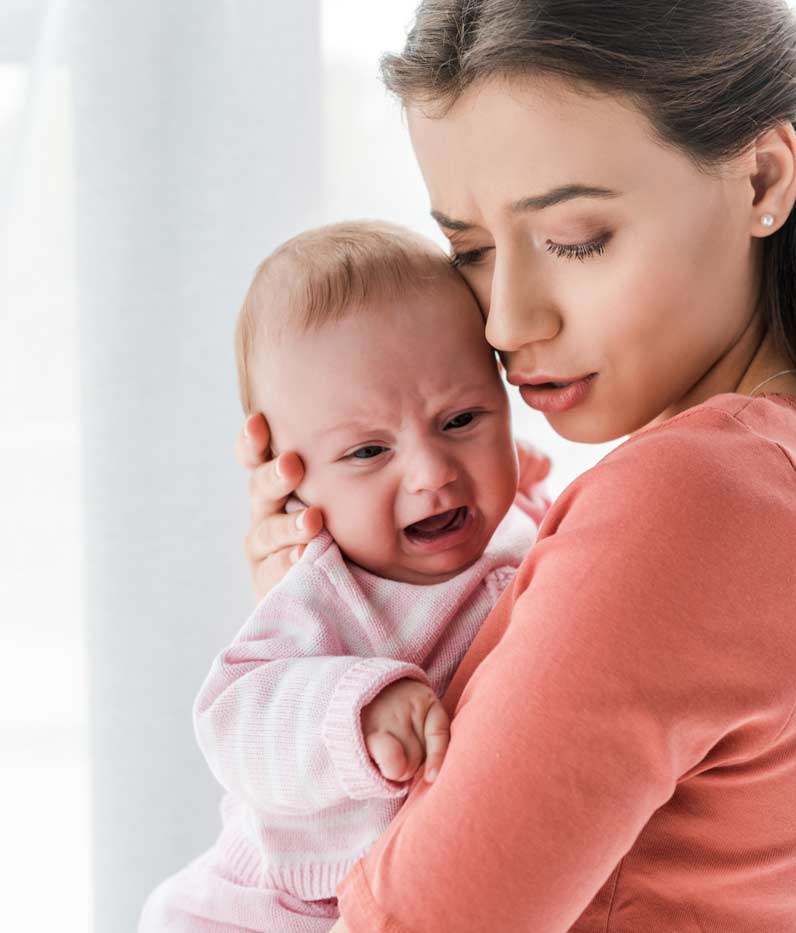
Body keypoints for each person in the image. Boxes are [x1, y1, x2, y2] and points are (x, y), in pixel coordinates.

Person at [239, 2, 796, 930]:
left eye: (574, 239)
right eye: (469, 250)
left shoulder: (699, 496)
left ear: (760, 177)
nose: (506, 322)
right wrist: (330, 614)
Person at [141, 220, 552, 931]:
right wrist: (353, 712)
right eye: (367, 450)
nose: (430, 473)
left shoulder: (522, 528)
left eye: (460, 419)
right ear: (291, 481)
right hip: (278, 903)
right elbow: (236, 716)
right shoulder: (325, 591)